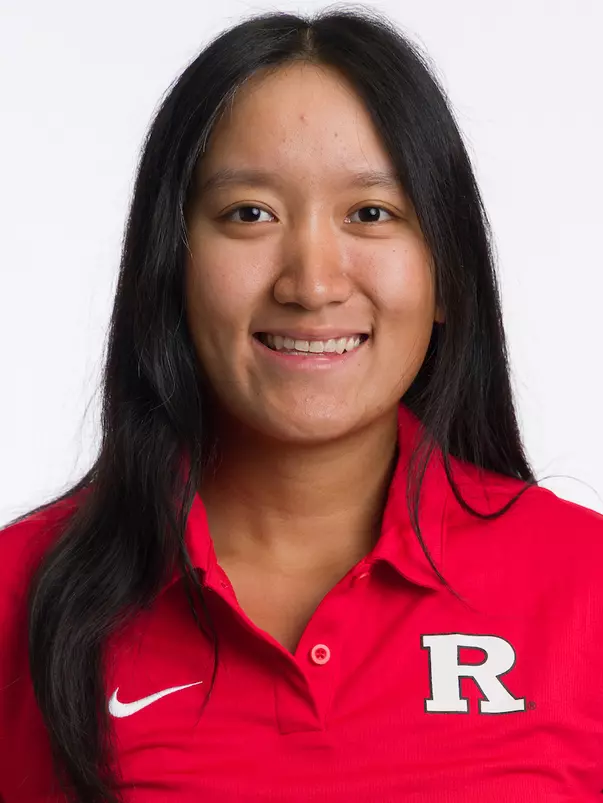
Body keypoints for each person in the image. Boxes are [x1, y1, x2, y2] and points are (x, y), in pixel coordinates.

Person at [1, 6, 602, 803]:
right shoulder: (19, 592)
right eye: (249, 213)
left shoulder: (584, 584)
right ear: (170, 268)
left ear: (446, 277)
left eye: (371, 214)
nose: (312, 284)